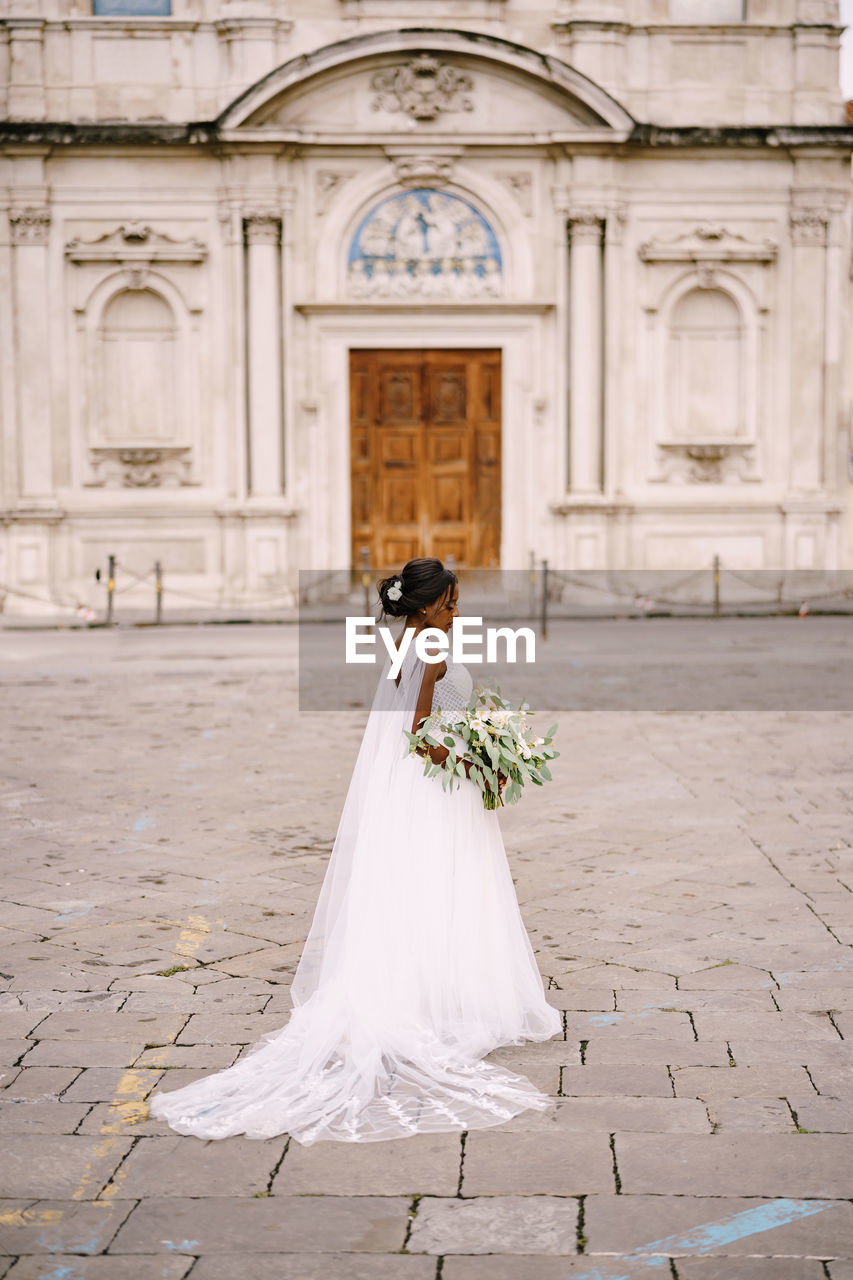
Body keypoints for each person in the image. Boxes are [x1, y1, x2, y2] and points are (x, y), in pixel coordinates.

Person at [147, 557, 561, 1143]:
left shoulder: (409, 641)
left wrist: (482, 736)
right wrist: (477, 761)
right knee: (444, 883)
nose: (458, 605)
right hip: (436, 784)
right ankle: (439, 996)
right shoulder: (432, 647)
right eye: (450, 598)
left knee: (425, 885)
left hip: (421, 788)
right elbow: (418, 733)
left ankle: (429, 988)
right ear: (427, 603)